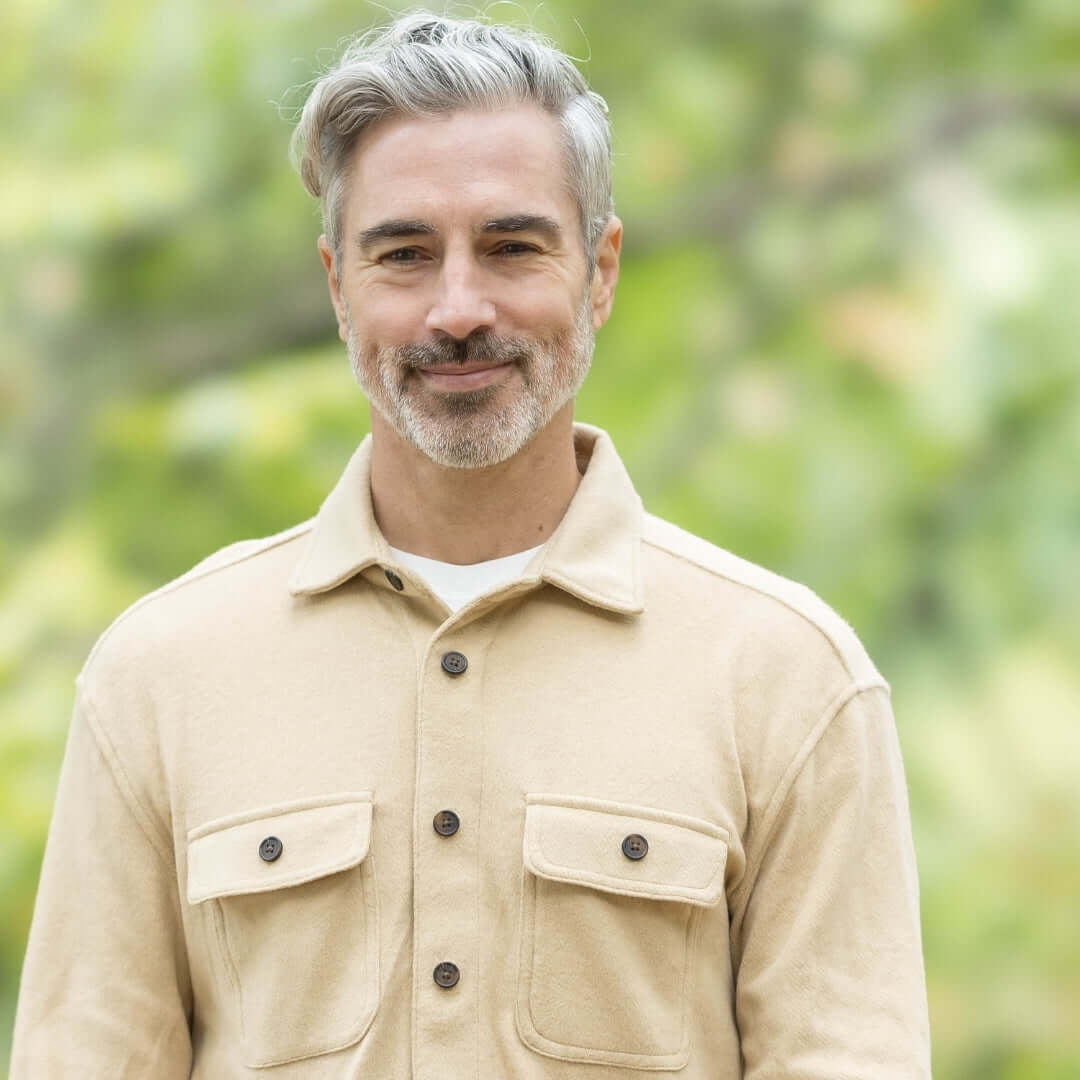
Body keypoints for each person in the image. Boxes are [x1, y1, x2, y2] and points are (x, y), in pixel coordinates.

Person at [10, 13, 931, 1078]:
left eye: (511, 247)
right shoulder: (157, 679)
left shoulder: (789, 684)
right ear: (336, 286)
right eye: (404, 254)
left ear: (600, 272)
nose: (458, 308)